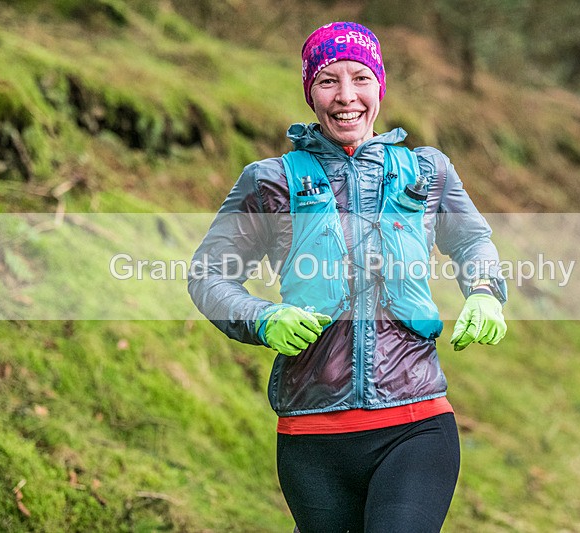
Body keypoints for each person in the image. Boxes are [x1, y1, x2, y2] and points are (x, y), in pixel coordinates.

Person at [188, 21, 507, 533]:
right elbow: (208, 276)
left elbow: (472, 242)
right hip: (311, 438)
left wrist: (486, 293)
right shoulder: (269, 181)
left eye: (360, 78)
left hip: (416, 425)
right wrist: (262, 317)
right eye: (328, 81)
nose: (346, 97)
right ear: (310, 92)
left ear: (379, 86)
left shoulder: (428, 171)